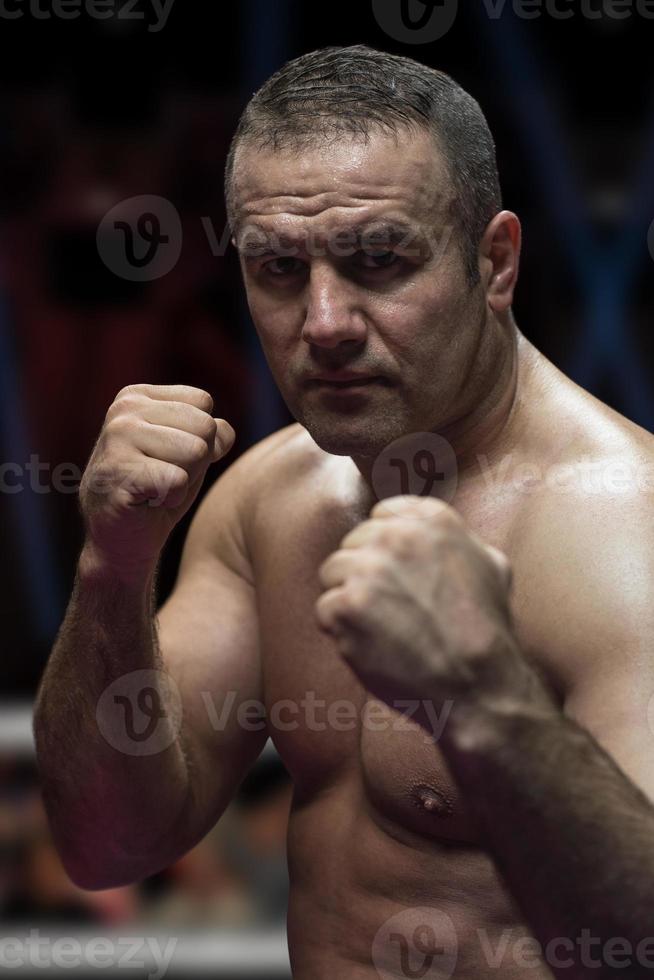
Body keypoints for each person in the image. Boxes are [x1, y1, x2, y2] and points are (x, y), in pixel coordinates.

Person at [33, 45, 654, 979]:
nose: (323, 322)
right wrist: (113, 568)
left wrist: (484, 703)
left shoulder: (626, 531)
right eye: (279, 268)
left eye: (379, 260)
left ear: (495, 260)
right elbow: (106, 845)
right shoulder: (266, 502)